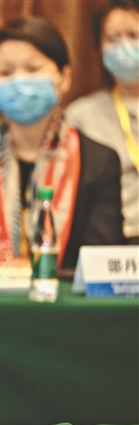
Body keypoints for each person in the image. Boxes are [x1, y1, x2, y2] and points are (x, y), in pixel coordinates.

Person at [0, 16, 125, 275]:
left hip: (60, 300)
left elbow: (103, 266)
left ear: (64, 78)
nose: (19, 81)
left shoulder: (99, 161)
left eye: (32, 69)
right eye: (5, 72)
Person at [66, 0, 139, 244]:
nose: (123, 47)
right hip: (113, 242)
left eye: (133, 35)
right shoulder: (80, 115)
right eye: (112, 39)